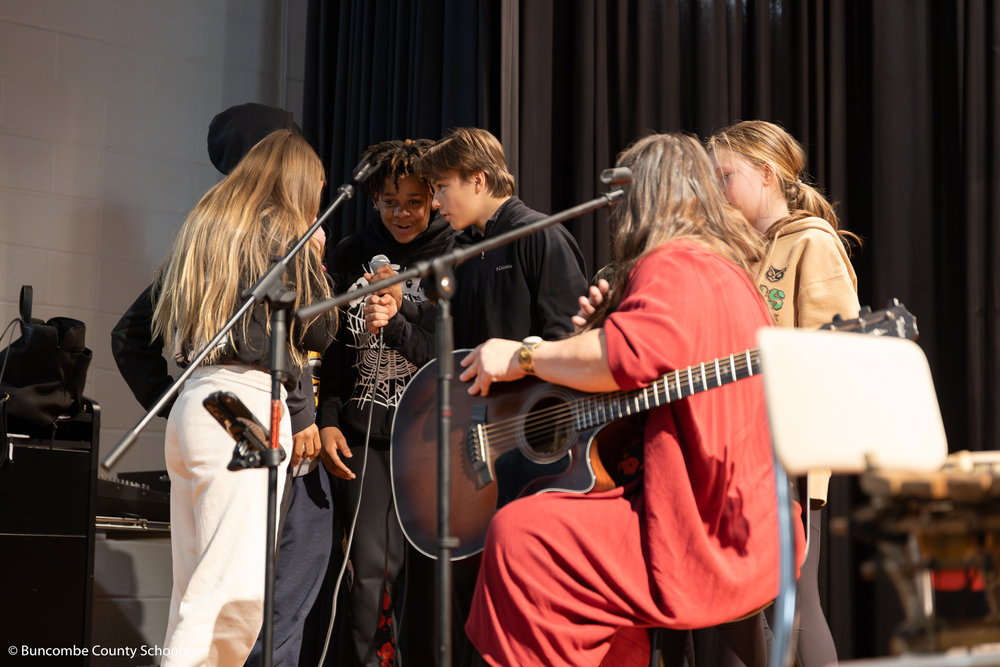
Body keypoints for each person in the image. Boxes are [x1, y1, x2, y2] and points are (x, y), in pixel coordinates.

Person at [457, 133, 805, 667]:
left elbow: (627, 358)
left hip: (698, 534)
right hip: (752, 526)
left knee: (520, 535)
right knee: (560, 552)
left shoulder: (673, 261)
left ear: (646, 197)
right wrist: (600, 329)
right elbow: (652, 373)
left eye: (623, 195)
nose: (616, 211)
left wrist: (524, 357)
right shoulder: (725, 269)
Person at [110, 103, 338, 667]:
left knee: (197, 591)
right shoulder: (285, 236)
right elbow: (317, 329)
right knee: (232, 597)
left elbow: (128, 335)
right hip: (245, 408)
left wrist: (179, 406)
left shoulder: (204, 230)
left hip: (202, 398)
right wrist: (316, 261)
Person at [707, 119, 860, 667]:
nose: (717, 189)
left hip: (789, 450)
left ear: (767, 175)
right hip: (734, 449)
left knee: (796, 601)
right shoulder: (736, 248)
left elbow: (836, 352)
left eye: (726, 176)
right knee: (739, 606)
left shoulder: (811, 243)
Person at [314, 138, 460, 667]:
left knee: (423, 576)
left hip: (428, 437)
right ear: (374, 199)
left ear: (434, 199)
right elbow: (332, 349)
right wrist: (328, 419)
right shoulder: (354, 251)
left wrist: (397, 320)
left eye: (414, 201)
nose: (401, 213)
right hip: (362, 434)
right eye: (389, 201)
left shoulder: (454, 254)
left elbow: (446, 359)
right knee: (369, 568)